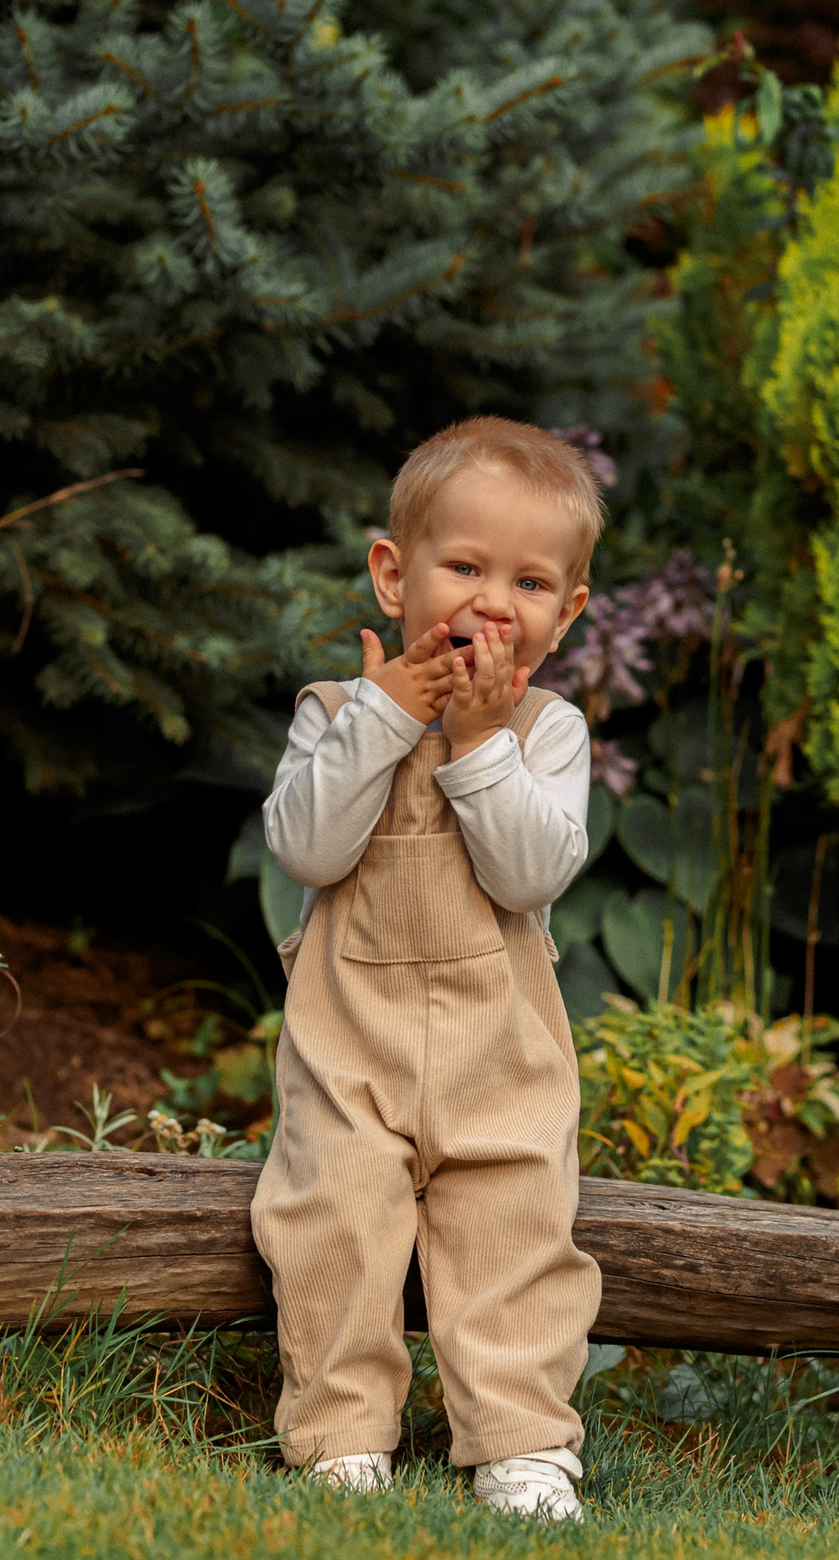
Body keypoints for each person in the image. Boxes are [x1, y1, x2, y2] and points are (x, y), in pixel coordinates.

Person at [256, 415, 605, 1521]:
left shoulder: (548, 733)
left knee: (515, 1230)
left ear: (569, 613)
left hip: (497, 1049)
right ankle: (341, 1428)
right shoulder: (333, 712)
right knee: (334, 1217)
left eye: (532, 581)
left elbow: (530, 877)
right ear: (393, 576)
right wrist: (385, 718)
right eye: (466, 566)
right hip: (349, 1039)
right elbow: (306, 847)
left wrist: (480, 743)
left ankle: (521, 1439)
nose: (496, 601)